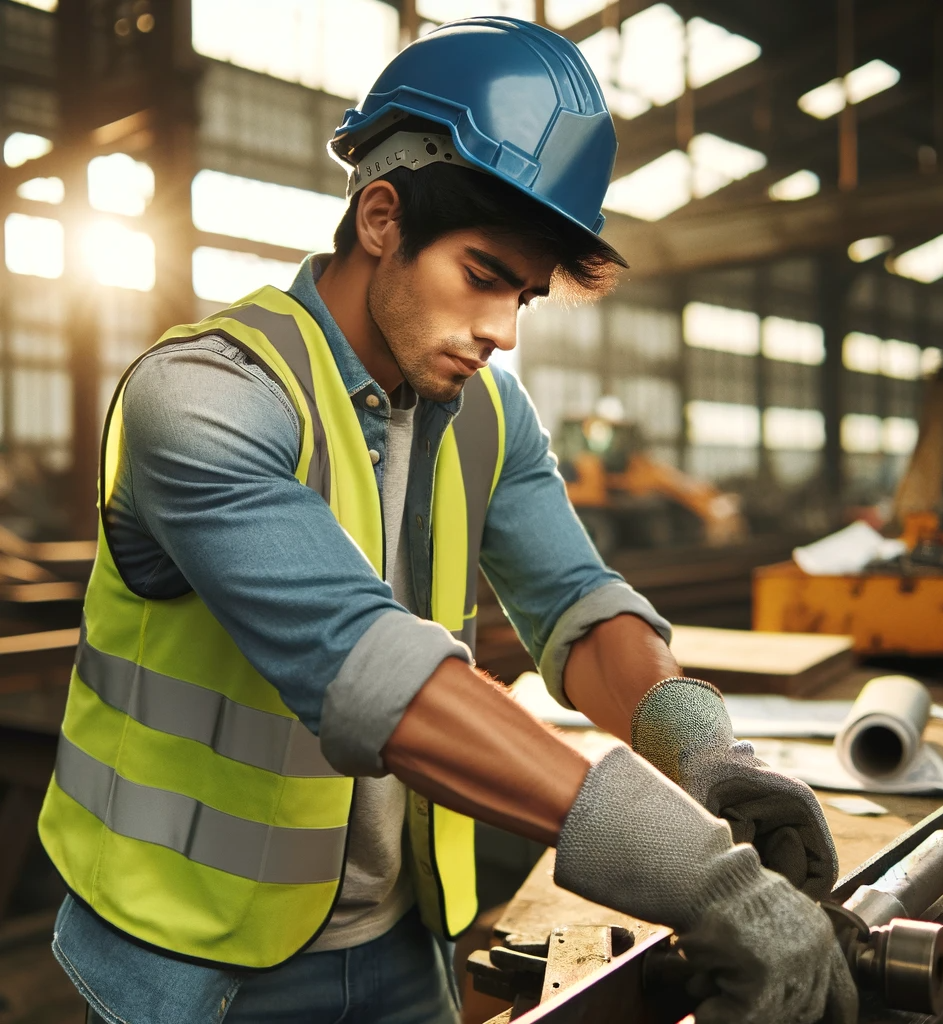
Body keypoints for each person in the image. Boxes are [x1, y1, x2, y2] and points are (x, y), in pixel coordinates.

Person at [38, 17, 856, 1024]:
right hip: (186, 963)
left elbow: (579, 607)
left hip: (402, 951)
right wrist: (694, 870)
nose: (502, 330)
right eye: (481, 275)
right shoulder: (204, 395)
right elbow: (370, 671)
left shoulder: (488, 414)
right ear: (380, 217)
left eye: (524, 294)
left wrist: (703, 753)